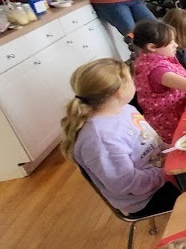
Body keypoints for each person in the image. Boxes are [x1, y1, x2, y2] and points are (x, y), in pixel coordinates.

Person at [61, 58, 179, 216]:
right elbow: (128, 184)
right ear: (119, 91)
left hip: (161, 175)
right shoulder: (99, 138)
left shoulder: (125, 109)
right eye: (131, 77)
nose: (135, 80)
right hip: (146, 198)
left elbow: (153, 142)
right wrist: (167, 171)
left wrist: (175, 151)